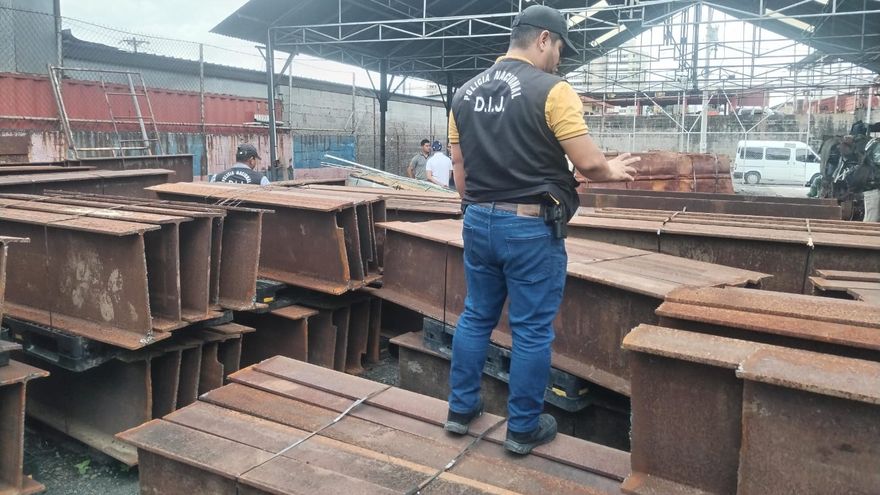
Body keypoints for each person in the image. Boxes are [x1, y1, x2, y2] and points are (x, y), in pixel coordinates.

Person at [443, 4, 639, 455]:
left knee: (476, 316)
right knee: (531, 330)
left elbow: (459, 167)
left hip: (477, 219)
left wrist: (480, 208)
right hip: (530, 228)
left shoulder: (464, 93)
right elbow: (587, 162)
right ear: (544, 39)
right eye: (559, 50)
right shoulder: (553, 90)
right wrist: (611, 169)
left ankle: (460, 410)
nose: (559, 60)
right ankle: (522, 429)